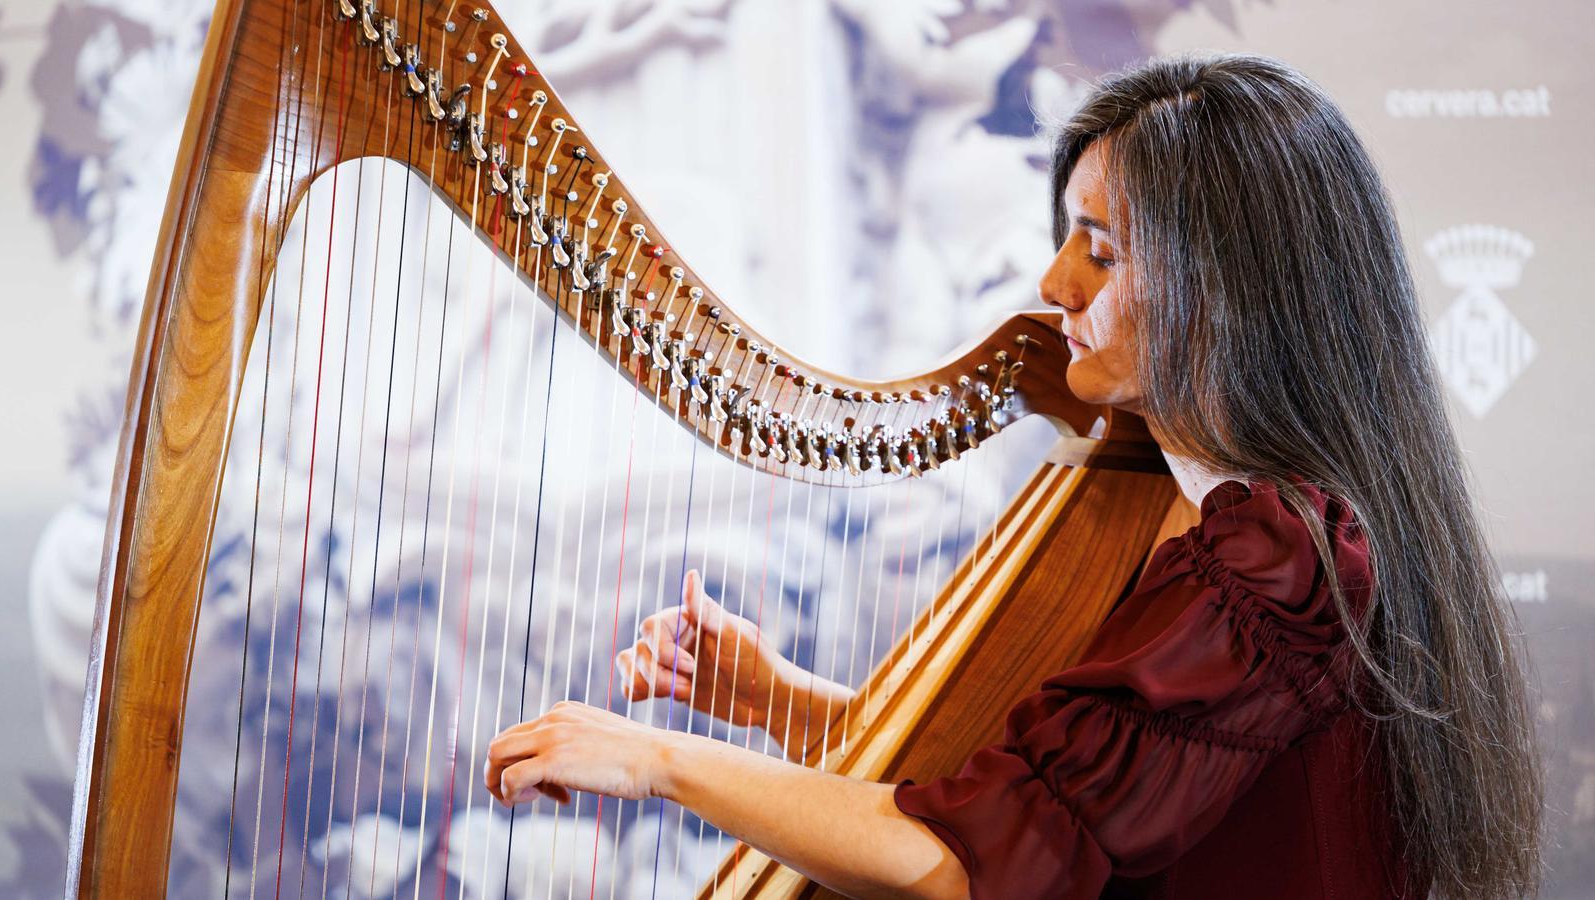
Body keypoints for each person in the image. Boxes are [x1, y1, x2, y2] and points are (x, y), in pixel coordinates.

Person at [485, 52, 1543, 899]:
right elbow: (1023, 791)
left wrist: (655, 761)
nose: (1052, 281)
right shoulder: (1203, 509)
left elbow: (973, 860)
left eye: (1100, 247)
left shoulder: (1279, 554)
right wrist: (775, 701)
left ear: (1218, 286)